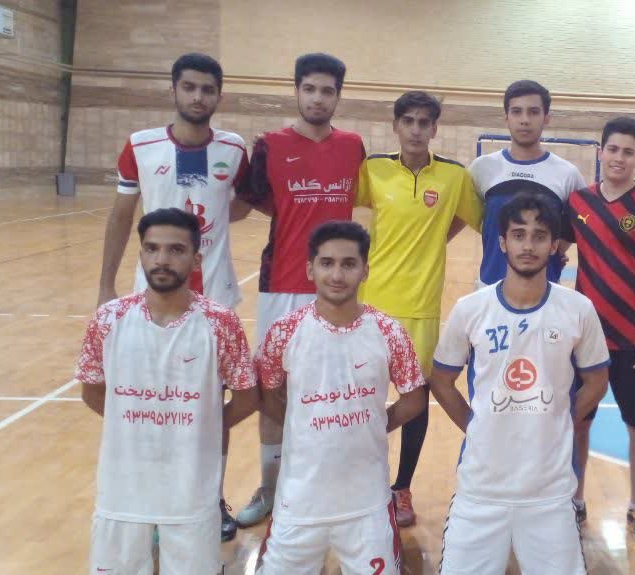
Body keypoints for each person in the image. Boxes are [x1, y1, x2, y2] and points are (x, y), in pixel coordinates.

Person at [97, 53, 251, 540]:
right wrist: (105, 285)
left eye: (207, 89)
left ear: (219, 96)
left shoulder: (234, 148)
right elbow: (121, 216)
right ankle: (153, 500)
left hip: (215, 299)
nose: (198, 97)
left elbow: (242, 204)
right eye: (189, 87)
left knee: (210, 408)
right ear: (174, 90)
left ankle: (211, 498)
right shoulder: (140, 146)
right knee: (156, 404)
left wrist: (213, 221)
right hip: (153, 300)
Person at [428, 193, 610, 574]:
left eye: (539, 236)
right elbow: (442, 381)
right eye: (518, 234)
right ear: (502, 242)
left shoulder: (578, 309)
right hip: (481, 492)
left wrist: (560, 418)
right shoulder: (470, 309)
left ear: (554, 245)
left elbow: (597, 380)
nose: (528, 245)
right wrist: (475, 425)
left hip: (550, 495)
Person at [77, 208, 258, 574]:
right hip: (122, 490)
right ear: (141, 254)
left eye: (176, 250)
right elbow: (92, 391)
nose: (161, 259)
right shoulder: (109, 319)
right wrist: (136, 424)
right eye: (152, 248)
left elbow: (247, 398)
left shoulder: (220, 323)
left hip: (191, 492)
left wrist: (204, 426)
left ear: (196, 259)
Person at [234, 52, 367, 529]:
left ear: (338, 96)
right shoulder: (268, 146)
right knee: (273, 389)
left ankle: (332, 488)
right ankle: (271, 488)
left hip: (338, 289)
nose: (317, 98)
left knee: (337, 390)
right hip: (282, 284)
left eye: (327, 90)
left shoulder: (353, 147)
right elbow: (251, 204)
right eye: (309, 89)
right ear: (296, 91)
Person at [254, 221, 427, 574]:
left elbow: (414, 399)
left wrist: (375, 424)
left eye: (348, 264)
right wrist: (300, 424)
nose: (336, 275)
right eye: (327, 263)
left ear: (365, 270)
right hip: (298, 502)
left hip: (368, 504)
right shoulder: (284, 332)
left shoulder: (389, 331)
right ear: (310, 269)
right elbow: (267, 394)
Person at [357, 90, 483, 527]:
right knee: (366, 395)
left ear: (434, 128)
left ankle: (402, 487)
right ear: (395, 125)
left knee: (417, 400)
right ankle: (364, 479)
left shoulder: (453, 177)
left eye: (423, 122)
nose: (415, 130)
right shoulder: (372, 168)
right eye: (407, 121)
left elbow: (474, 217)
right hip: (371, 305)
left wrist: (438, 234)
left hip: (422, 308)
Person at [561, 116, 635, 540]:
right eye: (613, 149)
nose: (619, 158)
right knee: (578, 423)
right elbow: (556, 252)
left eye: (628, 152)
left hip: (634, 342)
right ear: (600, 151)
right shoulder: (577, 202)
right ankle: (575, 500)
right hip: (585, 341)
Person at [469, 79, 587, 286]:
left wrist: (556, 247)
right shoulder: (481, 168)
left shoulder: (567, 174)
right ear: (506, 117)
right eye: (517, 112)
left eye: (533, 112)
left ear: (546, 117)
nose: (525, 120)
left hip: (546, 291)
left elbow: (583, 221)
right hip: (490, 288)